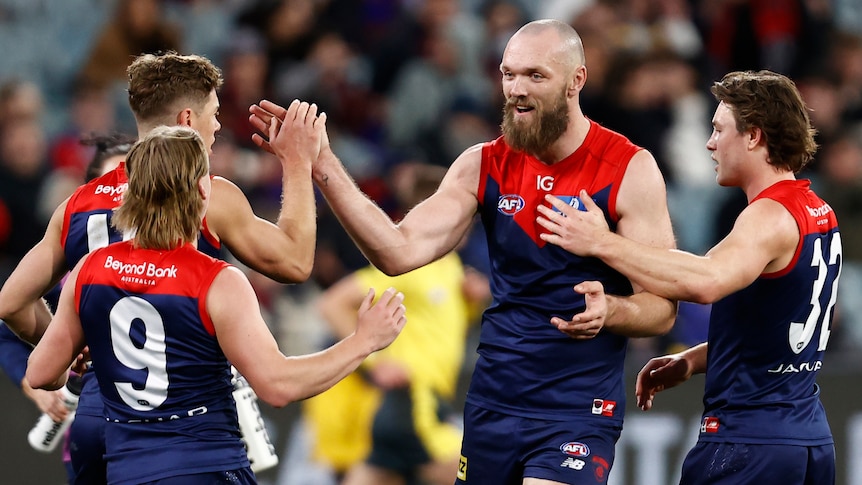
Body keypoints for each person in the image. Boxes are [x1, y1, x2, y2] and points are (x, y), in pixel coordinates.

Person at [251, 19, 677, 484]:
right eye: (508, 74)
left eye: (535, 76)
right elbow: (398, 251)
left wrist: (612, 310)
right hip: (492, 403)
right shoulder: (483, 163)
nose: (516, 89)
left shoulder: (628, 168)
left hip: (576, 408)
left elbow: (661, 308)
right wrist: (323, 162)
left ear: (577, 80)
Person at [0, 51, 320, 484]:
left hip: (98, 415)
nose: (219, 126)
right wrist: (298, 164)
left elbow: (12, 301)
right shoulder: (206, 195)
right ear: (188, 117)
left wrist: (75, 343)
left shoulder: (76, 204)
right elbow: (295, 262)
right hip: (181, 425)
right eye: (214, 114)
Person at [24, 125, 408, 485]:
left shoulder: (89, 270)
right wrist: (364, 341)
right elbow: (278, 386)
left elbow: (42, 373)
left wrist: (84, 350)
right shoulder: (217, 282)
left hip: (128, 470)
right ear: (203, 192)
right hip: (206, 465)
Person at [536, 70, 838, 484]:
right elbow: (779, 334)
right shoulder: (816, 209)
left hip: (749, 442)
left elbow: (706, 281)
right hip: (807, 439)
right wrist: (692, 360)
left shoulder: (768, 216)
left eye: (718, 129)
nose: (711, 143)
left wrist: (602, 242)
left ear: (753, 136)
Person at [307, 162, 490, 485]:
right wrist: (374, 362)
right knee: (479, 475)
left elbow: (437, 324)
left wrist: (475, 300)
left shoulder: (453, 272)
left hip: (423, 403)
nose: (469, 221)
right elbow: (333, 304)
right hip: (413, 402)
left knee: (377, 474)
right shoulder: (411, 264)